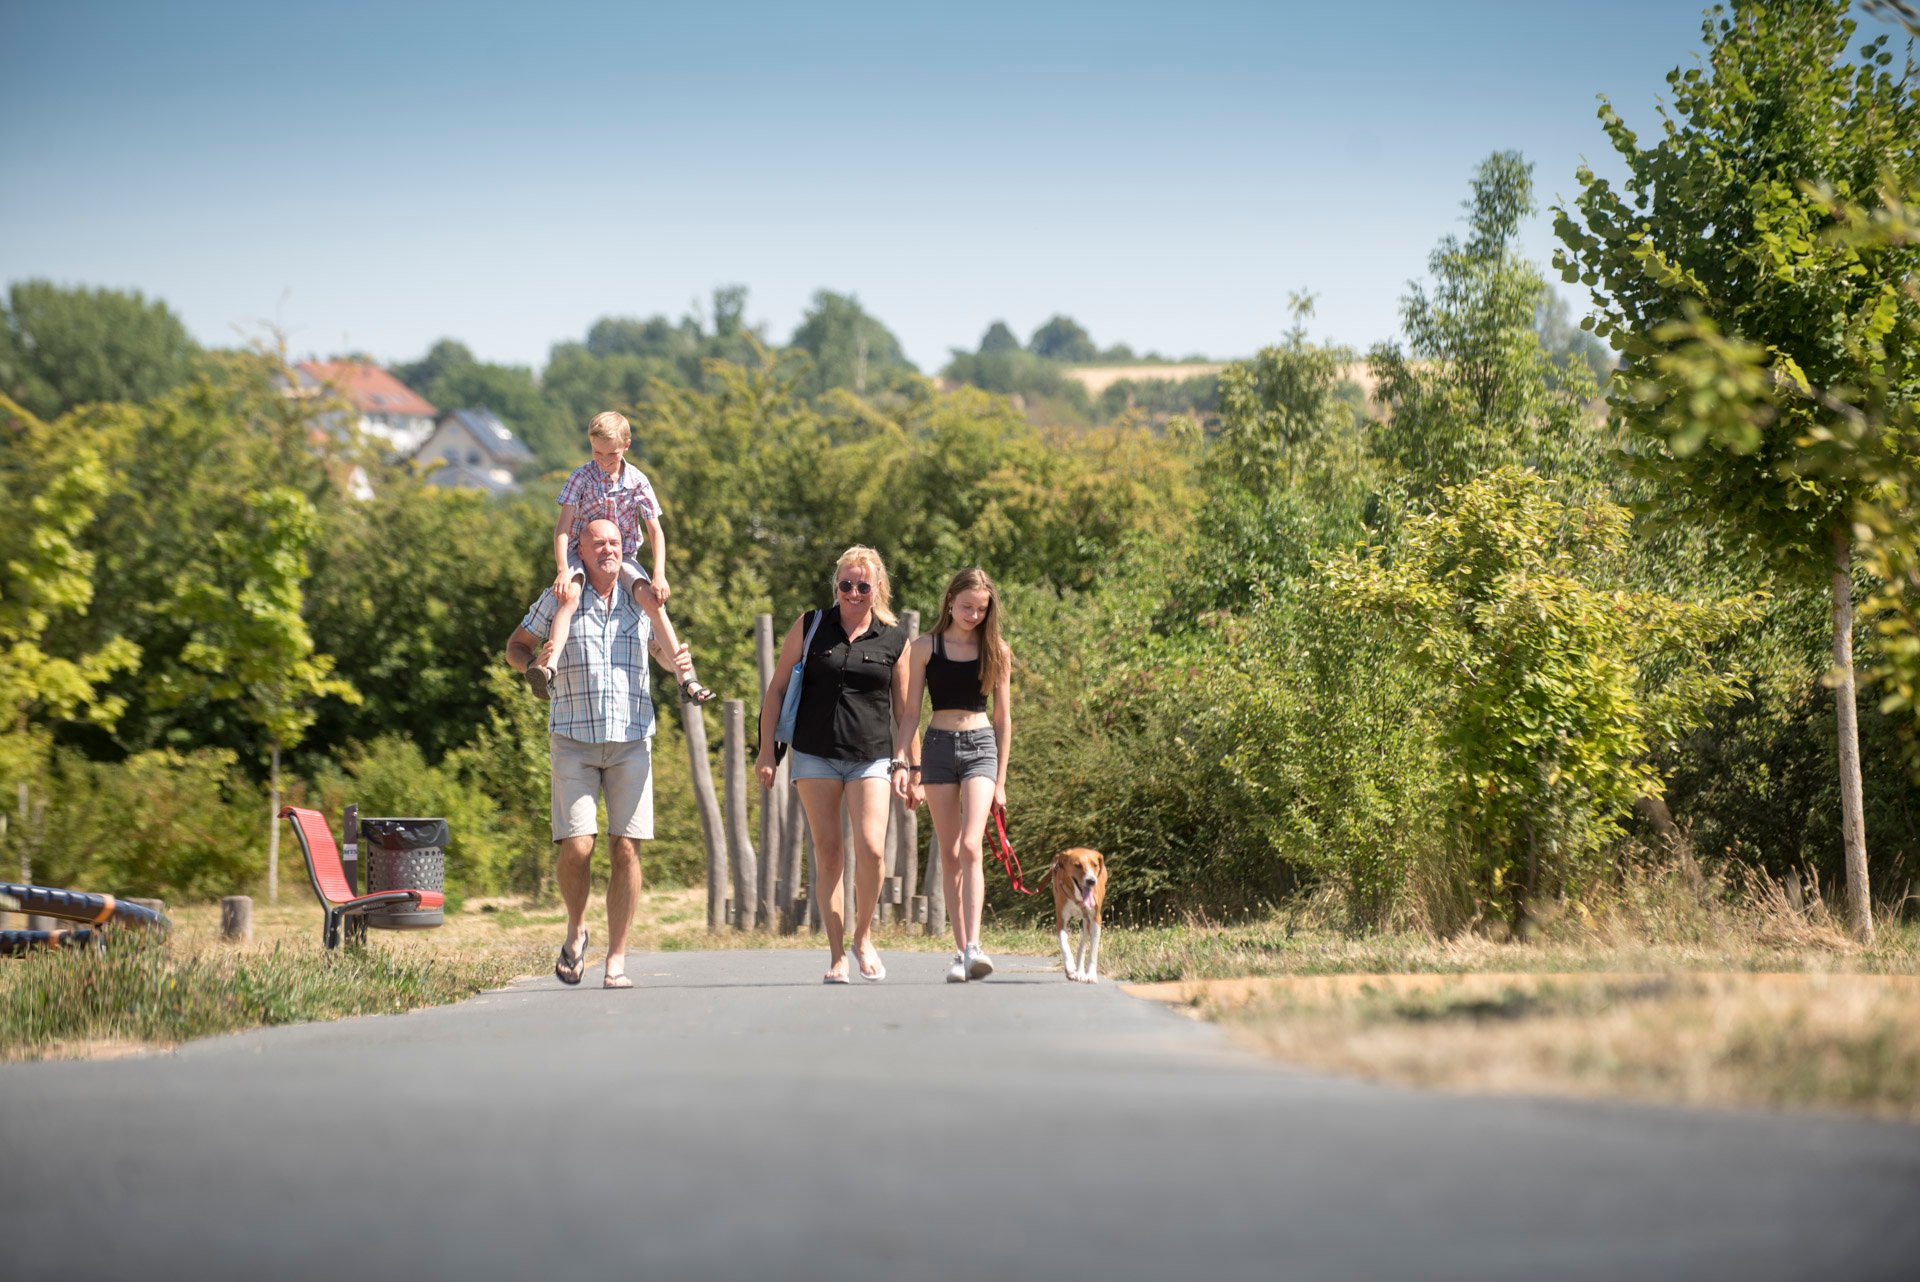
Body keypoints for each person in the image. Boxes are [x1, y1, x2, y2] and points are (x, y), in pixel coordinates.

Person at [506, 517, 690, 990]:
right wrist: (533, 666)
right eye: (598, 543)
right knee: (578, 845)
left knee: (626, 848)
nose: (608, 550)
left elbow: (660, 650)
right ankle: (576, 929)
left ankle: (617, 957)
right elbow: (515, 645)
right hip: (573, 739)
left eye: (614, 542)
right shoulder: (561, 596)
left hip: (632, 738)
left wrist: (676, 661)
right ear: (581, 552)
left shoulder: (640, 596)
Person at [756, 546, 910, 984]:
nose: (854, 592)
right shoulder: (811, 625)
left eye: (863, 585)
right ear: (836, 586)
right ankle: (838, 954)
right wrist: (766, 751)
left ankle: (864, 937)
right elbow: (777, 689)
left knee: (872, 848)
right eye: (846, 584)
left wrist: (908, 765)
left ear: (877, 587)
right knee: (828, 853)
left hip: (872, 756)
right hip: (814, 753)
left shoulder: (893, 638)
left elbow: (906, 711)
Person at [527, 410, 715, 705]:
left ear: (626, 445)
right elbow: (563, 528)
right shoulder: (581, 477)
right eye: (597, 453)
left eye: (611, 454)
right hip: (581, 550)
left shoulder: (637, 481)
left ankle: (686, 678)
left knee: (652, 600)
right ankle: (548, 668)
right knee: (569, 596)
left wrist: (659, 574)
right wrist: (563, 569)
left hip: (622, 553)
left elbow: (656, 531)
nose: (603, 461)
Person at [893, 567, 1013, 983]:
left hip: (981, 746)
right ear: (950, 601)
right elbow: (910, 713)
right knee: (949, 852)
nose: (974, 615)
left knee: (970, 845)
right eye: (967, 607)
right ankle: (961, 952)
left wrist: (1000, 782)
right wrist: (903, 763)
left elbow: (1003, 719)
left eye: (981, 609)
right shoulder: (924, 647)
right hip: (939, 747)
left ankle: (976, 945)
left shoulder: (997, 650)